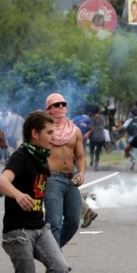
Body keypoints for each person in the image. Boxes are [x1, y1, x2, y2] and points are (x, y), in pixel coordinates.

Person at [0, 112, 74, 273]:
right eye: (49, 133)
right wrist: (18, 195)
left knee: (60, 270)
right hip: (18, 232)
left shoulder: (41, 157)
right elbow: (2, 181)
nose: (54, 137)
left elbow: (42, 192)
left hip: (39, 228)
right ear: (35, 133)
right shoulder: (21, 156)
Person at [44, 93, 85, 249]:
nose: (61, 107)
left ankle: (52, 255)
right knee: (53, 223)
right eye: (56, 104)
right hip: (52, 179)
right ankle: (55, 262)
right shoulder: (44, 130)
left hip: (71, 179)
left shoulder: (74, 131)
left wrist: (81, 173)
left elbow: (80, 156)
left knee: (74, 222)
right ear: (48, 108)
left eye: (63, 104)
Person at [87, 106, 106, 171]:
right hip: (101, 136)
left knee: (91, 149)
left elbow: (91, 127)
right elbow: (103, 125)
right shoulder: (102, 118)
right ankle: (96, 166)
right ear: (98, 111)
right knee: (98, 152)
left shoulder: (91, 118)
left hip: (93, 136)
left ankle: (92, 159)